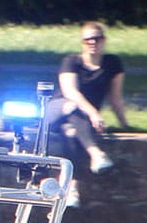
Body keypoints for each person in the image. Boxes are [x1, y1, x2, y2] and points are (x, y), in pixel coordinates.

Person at [54, 21, 132, 207]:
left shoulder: (112, 63)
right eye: (88, 39)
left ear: (104, 41)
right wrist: (93, 113)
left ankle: (71, 189)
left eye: (97, 39)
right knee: (73, 106)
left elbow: (115, 97)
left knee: (73, 134)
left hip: (80, 119)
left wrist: (124, 125)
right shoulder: (72, 61)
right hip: (58, 108)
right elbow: (70, 92)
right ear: (82, 42)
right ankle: (96, 154)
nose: (92, 43)